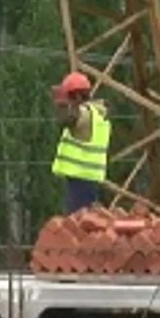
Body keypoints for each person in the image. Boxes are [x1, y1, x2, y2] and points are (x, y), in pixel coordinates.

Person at [50, 71, 110, 215]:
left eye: (69, 97)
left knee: (77, 224)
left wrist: (60, 104)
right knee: (87, 223)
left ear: (77, 96)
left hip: (81, 181)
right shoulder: (96, 113)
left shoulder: (84, 115)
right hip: (89, 179)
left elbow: (64, 120)